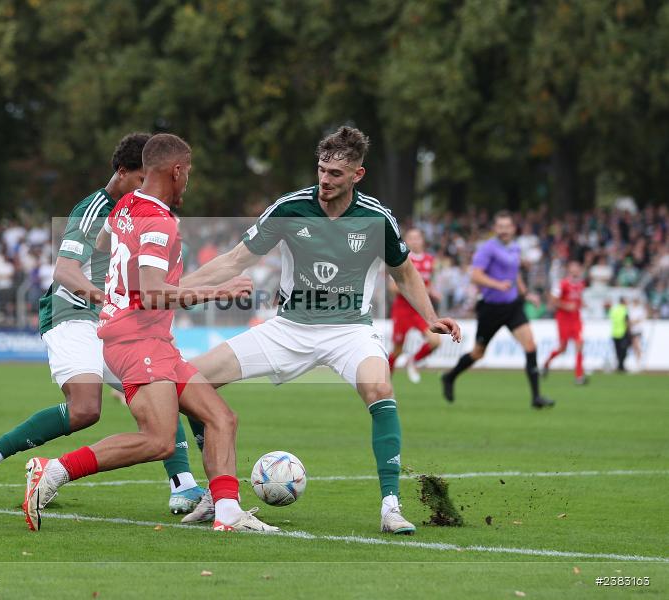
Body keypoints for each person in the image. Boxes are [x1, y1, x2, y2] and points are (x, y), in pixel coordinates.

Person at [177, 126, 461, 534]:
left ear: (357, 175)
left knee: (380, 389)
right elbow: (234, 260)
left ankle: (390, 507)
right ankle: (216, 494)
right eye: (322, 170)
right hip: (290, 327)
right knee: (190, 381)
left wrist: (429, 315)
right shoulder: (291, 208)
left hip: (350, 331)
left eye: (336, 174)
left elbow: (404, 272)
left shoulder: (377, 217)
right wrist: (175, 289)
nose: (325, 180)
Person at [22, 134, 276, 533]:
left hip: (149, 339)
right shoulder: (158, 222)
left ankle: (227, 514)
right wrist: (218, 291)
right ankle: (52, 471)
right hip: (137, 341)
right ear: (176, 171)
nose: (187, 182)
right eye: (188, 173)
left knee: (222, 418)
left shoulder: (126, 206)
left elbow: (107, 245)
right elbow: (155, 293)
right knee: (158, 440)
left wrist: (118, 291)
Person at [0, 133, 206, 515]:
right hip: (71, 313)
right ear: (122, 173)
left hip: (114, 323)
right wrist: (105, 297)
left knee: (159, 383)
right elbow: (65, 270)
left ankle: (183, 486)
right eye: (140, 179)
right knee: (86, 409)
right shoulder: (94, 209)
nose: (147, 188)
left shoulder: (142, 211)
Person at [441, 211, 554, 409]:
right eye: (500, 227)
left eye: (507, 226)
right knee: (478, 353)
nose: (503, 230)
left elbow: (514, 273)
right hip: (491, 309)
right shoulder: (487, 249)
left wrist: (526, 294)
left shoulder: (516, 247)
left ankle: (536, 397)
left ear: (513, 228)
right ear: (495, 229)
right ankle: (449, 377)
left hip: (512, 307)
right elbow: (475, 275)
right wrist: (497, 284)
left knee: (530, 345)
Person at [387, 228, 442, 383]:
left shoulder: (430, 260)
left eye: (417, 238)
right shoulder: (401, 258)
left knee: (435, 341)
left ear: (422, 240)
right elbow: (392, 287)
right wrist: (415, 288)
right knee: (397, 350)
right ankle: (385, 379)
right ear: (406, 241)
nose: (414, 241)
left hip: (420, 309)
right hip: (402, 309)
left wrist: (432, 291)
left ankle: (413, 361)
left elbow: (428, 284)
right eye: (411, 238)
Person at [542, 260, 587, 384]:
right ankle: (546, 363)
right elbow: (553, 301)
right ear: (569, 269)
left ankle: (579, 376)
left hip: (576, 319)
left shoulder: (581, 284)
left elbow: (578, 300)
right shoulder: (561, 284)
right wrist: (566, 306)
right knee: (563, 348)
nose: (576, 269)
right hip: (563, 319)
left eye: (578, 267)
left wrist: (583, 304)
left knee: (579, 344)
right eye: (573, 267)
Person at [609, 298, 631, 372]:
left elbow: (610, 317)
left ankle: (619, 366)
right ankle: (621, 366)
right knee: (623, 351)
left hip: (614, 333)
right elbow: (626, 321)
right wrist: (629, 331)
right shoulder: (624, 310)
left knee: (617, 351)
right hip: (622, 332)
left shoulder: (614, 309)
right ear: (623, 302)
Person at [628, 296, 647, 370]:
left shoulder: (640, 310)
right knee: (634, 346)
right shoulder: (631, 309)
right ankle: (637, 361)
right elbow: (629, 319)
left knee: (637, 345)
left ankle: (639, 363)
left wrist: (633, 322)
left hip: (638, 330)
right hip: (632, 330)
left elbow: (640, 319)